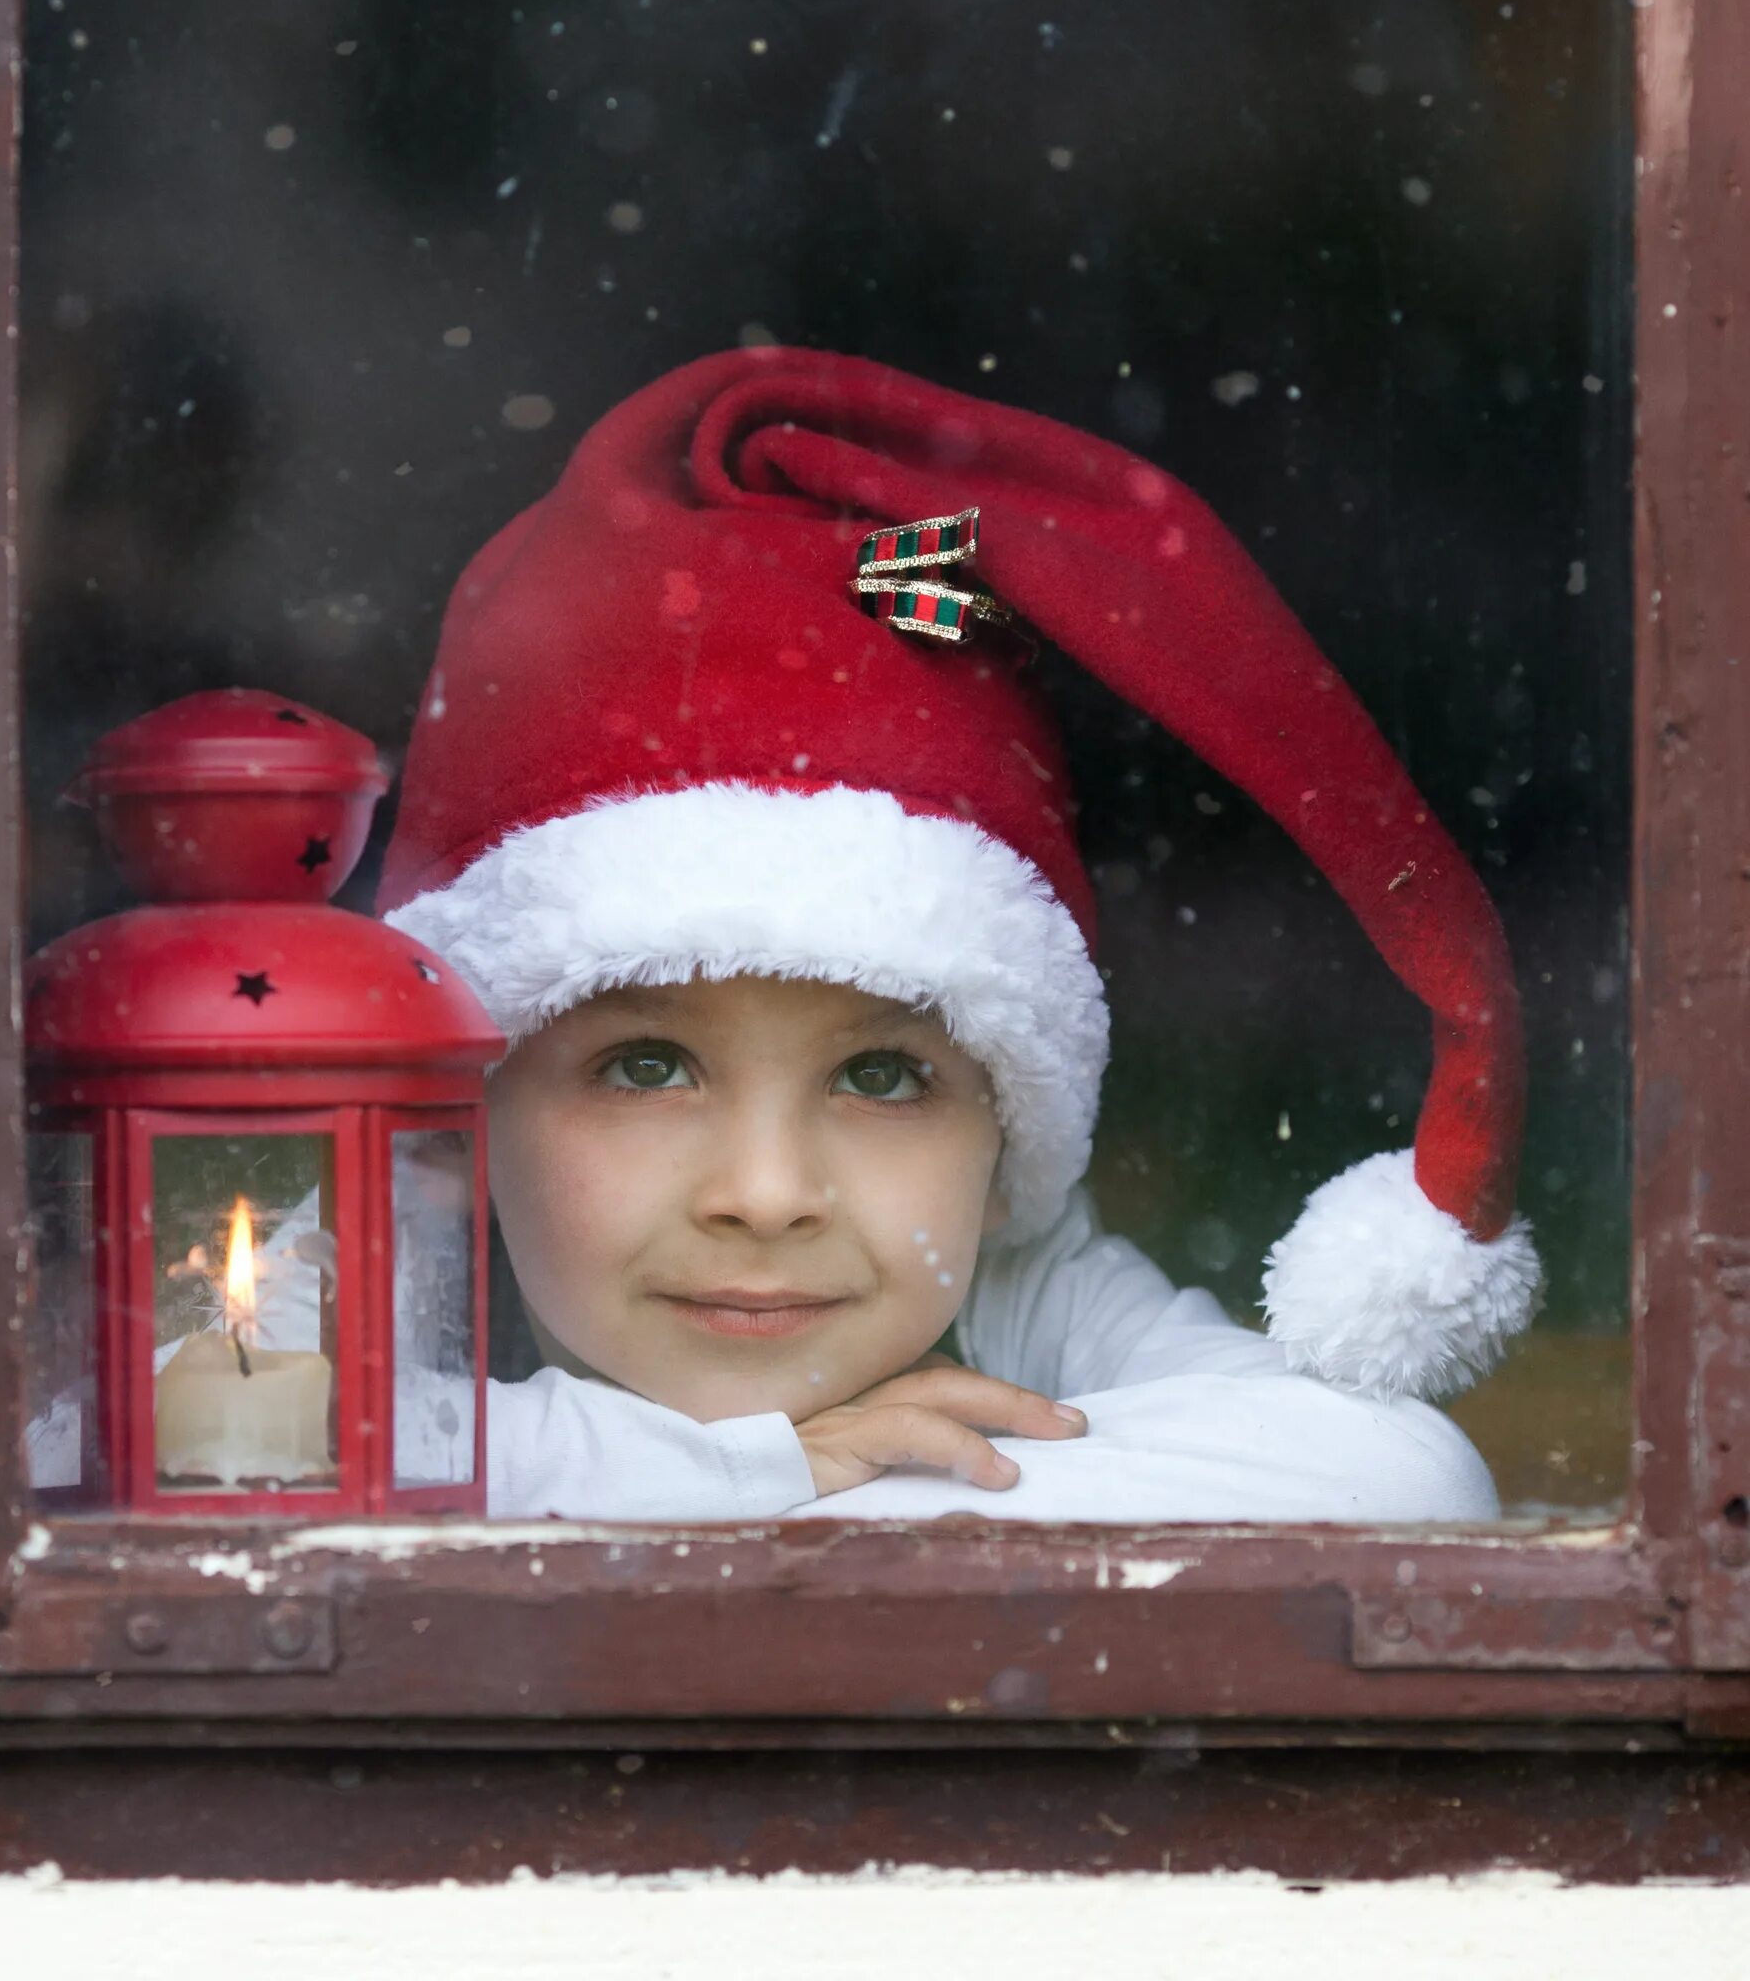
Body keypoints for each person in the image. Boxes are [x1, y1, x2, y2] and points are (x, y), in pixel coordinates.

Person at [344, 346, 1537, 1523]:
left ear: (1003, 1134)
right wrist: (759, 1475)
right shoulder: (388, 1228)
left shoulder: (1017, 1276)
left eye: (881, 1073)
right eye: (646, 1062)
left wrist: (768, 1497)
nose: (767, 1196)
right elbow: (220, 1447)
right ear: (467, 1103)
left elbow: (1390, 1476)